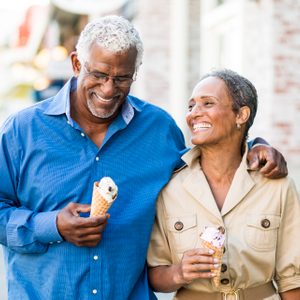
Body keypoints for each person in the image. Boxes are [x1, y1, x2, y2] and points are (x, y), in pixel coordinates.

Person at [0, 16, 288, 300]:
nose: (109, 89)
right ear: (77, 64)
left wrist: (253, 146)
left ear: (134, 73)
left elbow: (204, 165)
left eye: (122, 78)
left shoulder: (157, 129)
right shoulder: (22, 131)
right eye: (99, 75)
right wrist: (52, 226)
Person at [147, 69, 300, 300]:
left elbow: (292, 280)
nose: (194, 114)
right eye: (191, 106)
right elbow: (154, 273)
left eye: (208, 103)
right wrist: (179, 272)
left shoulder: (277, 186)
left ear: (241, 115)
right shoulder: (169, 188)